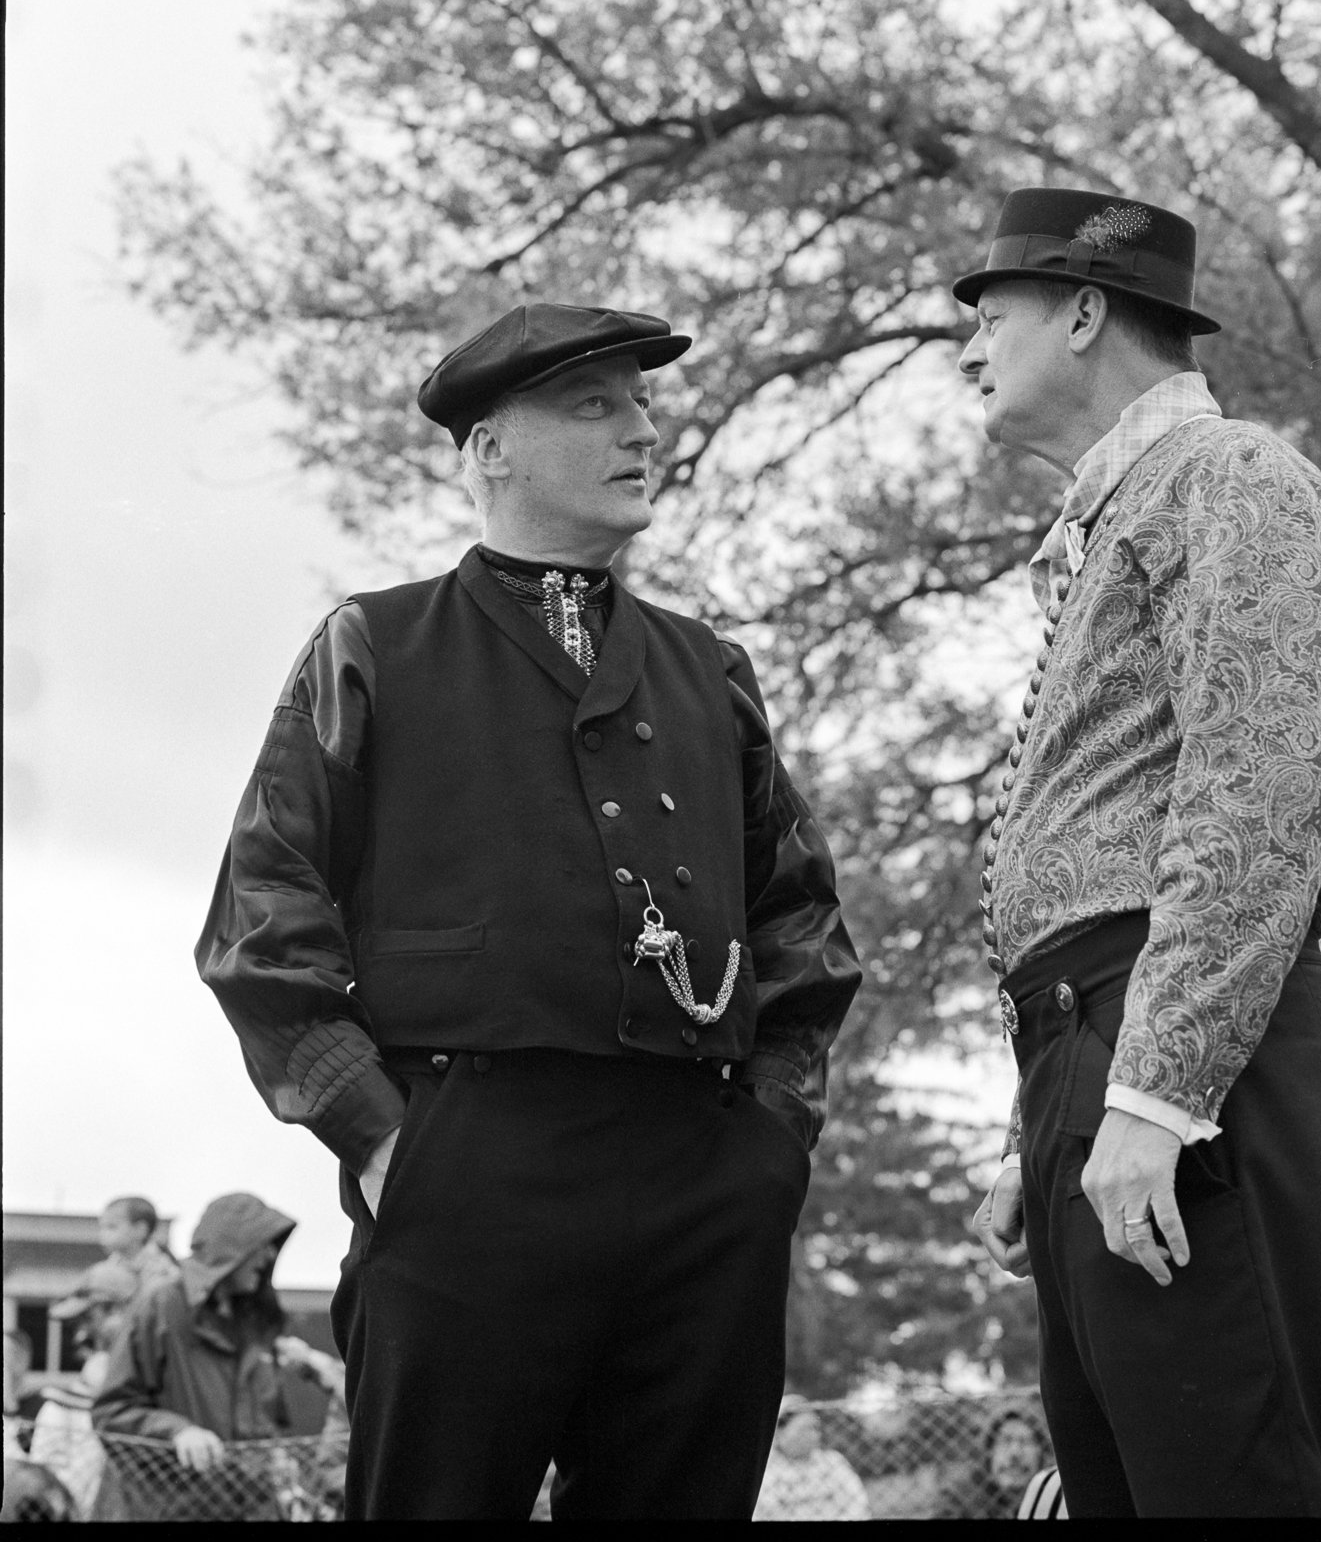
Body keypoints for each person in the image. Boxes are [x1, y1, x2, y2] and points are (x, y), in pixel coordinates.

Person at [196, 302, 862, 1522]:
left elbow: (802, 919)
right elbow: (261, 916)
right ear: (490, 447)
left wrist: (769, 1139)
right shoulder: (371, 645)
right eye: (596, 403)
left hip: (703, 1177)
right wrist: (389, 1140)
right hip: (467, 1166)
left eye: (644, 401)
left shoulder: (710, 666)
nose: (643, 428)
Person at [956, 189, 1321, 1518]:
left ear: (1085, 312)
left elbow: (1256, 796)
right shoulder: (1115, 519)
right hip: (1108, 1055)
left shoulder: (1234, 476)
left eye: (990, 315)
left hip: (1204, 1067)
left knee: (1247, 1487)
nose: (967, 347)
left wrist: (1153, 1095)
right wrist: (1041, 1123)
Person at [92, 1190, 298, 1510]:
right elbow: (111, 1412)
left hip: (242, 1509)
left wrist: (274, 1458)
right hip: (165, 1509)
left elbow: (266, 1421)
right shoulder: (163, 1304)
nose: (270, 1256)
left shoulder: (256, 1323)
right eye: (262, 1244)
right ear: (232, 1249)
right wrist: (177, 1432)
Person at [29, 1260, 139, 1518]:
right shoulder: (62, 1404)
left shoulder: (154, 1378)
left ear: (118, 1310)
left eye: (89, 1317)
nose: (80, 1334)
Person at [752, 1396, 871, 1521]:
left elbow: (858, 1505)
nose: (814, 1435)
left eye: (815, 1428)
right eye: (804, 1429)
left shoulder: (832, 1462)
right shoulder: (765, 1470)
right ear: (779, 1432)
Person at [933, 1403, 1049, 1520]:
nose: (1015, 1453)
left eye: (1026, 1441)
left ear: (1041, 1453)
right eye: (1005, 1440)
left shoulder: (1055, 1496)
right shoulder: (959, 1499)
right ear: (989, 1451)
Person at [97, 1197, 179, 1295]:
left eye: (111, 1227)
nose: (102, 1234)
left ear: (140, 1229)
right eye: (101, 1227)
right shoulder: (111, 1264)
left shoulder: (163, 1270)